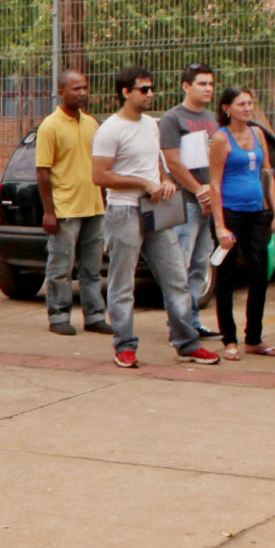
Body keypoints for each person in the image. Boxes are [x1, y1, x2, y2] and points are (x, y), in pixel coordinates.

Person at [92, 67, 216, 368]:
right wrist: (142, 183)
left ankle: (186, 342)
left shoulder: (151, 125)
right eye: (143, 89)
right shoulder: (110, 130)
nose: (150, 94)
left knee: (176, 278)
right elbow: (99, 175)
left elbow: (156, 161)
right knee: (123, 282)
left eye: (152, 88)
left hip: (155, 208)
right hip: (124, 210)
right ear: (125, 92)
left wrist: (163, 180)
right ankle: (124, 345)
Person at [206, 88, 275, 357]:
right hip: (230, 212)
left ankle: (254, 338)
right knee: (227, 277)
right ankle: (229, 339)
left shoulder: (257, 133)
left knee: (260, 275)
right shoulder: (221, 139)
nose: (248, 108)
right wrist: (220, 225)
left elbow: (266, 172)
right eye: (241, 104)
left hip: (256, 213)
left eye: (250, 103)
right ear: (227, 108)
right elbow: (214, 183)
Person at [34, 70, 103, 336]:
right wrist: (49, 211)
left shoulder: (91, 124)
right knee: (61, 269)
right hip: (65, 210)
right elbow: (43, 171)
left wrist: (103, 201)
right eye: (76, 88)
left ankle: (95, 315)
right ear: (61, 92)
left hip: (94, 207)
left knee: (92, 269)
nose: (82, 93)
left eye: (85, 88)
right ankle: (59, 315)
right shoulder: (50, 126)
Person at [156, 63, 221, 338]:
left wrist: (212, 194)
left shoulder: (212, 118)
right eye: (201, 83)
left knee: (200, 264)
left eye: (210, 84)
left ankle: (192, 321)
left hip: (209, 203)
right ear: (186, 86)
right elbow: (172, 160)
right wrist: (198, 190)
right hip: (186, 203)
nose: (208, 89)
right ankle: (177, 325)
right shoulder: (173, 119)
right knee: (179, 267)